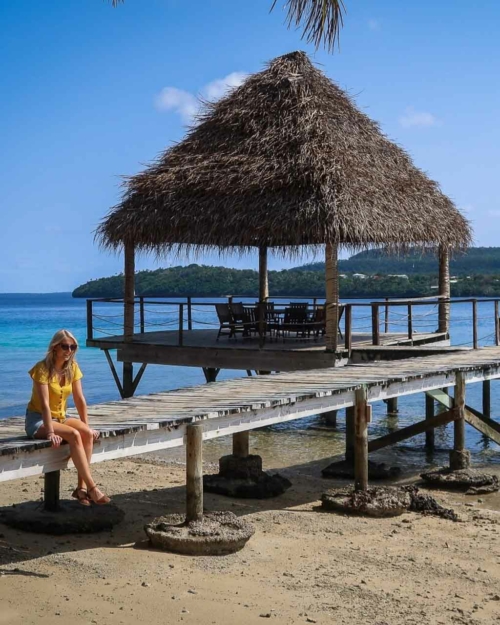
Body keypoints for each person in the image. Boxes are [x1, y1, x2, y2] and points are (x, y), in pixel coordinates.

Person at [25, 329, 110, 506]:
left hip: (61, 417)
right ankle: (93, 487)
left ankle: (81, 490)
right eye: (65, 346)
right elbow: (45, 405)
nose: (69, 350)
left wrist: (87, 426)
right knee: (74, 435)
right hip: (39, 420)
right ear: (55, 347)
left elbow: (80, 400)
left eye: (73, 347)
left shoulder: (72, 368)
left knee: (85, 434)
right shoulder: (42, 369)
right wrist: (49, 432)